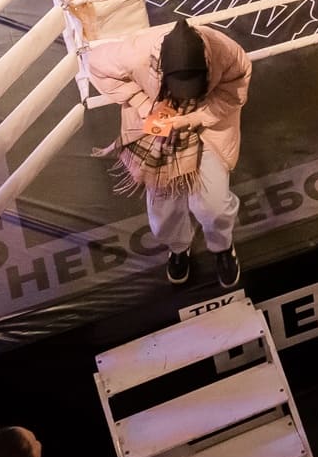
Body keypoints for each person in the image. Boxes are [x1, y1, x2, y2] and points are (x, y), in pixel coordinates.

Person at [86, 18, 250, 287]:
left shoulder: (227, 53)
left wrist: (193, 119)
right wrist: (143, 104)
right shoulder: (136, 54)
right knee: (163, 214)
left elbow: (234, 92)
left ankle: (222, 245)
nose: (185, 94)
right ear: (161, 71)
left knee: (214, 206)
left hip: (208, 125)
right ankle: (178, 246)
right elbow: (95, 63)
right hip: (156, 125)